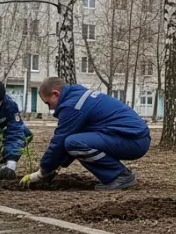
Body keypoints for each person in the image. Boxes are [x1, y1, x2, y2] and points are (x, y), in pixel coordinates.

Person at [21, 77, 150, 190]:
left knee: (73, 143)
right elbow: (72, 137)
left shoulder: (73, 106)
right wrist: (55, 167)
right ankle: (118, 174)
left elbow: (60, 141)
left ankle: (119, 176)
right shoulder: (79, 97)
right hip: (135, 137)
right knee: (74, 140)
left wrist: (42, 172)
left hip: (133, 141)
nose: (50, 108)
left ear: (56, 93)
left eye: (48, 103)